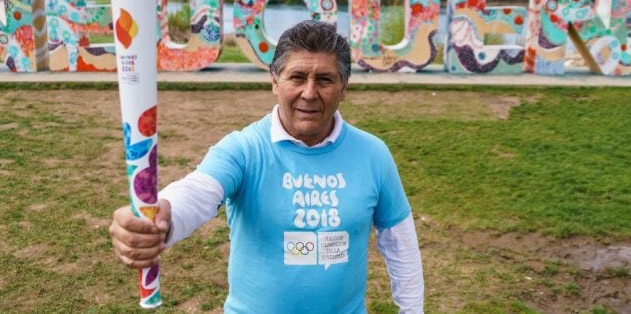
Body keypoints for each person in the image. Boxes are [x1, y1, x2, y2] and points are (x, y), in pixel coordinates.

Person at [109, 20, 424, 313]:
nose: (309, 93)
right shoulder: (244, 149)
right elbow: (198, 190)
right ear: (275, 82)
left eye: (325, 80)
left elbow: (402, 246)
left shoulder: (373, 155)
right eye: (297, 77)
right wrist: (162, 216)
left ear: (343, 88)